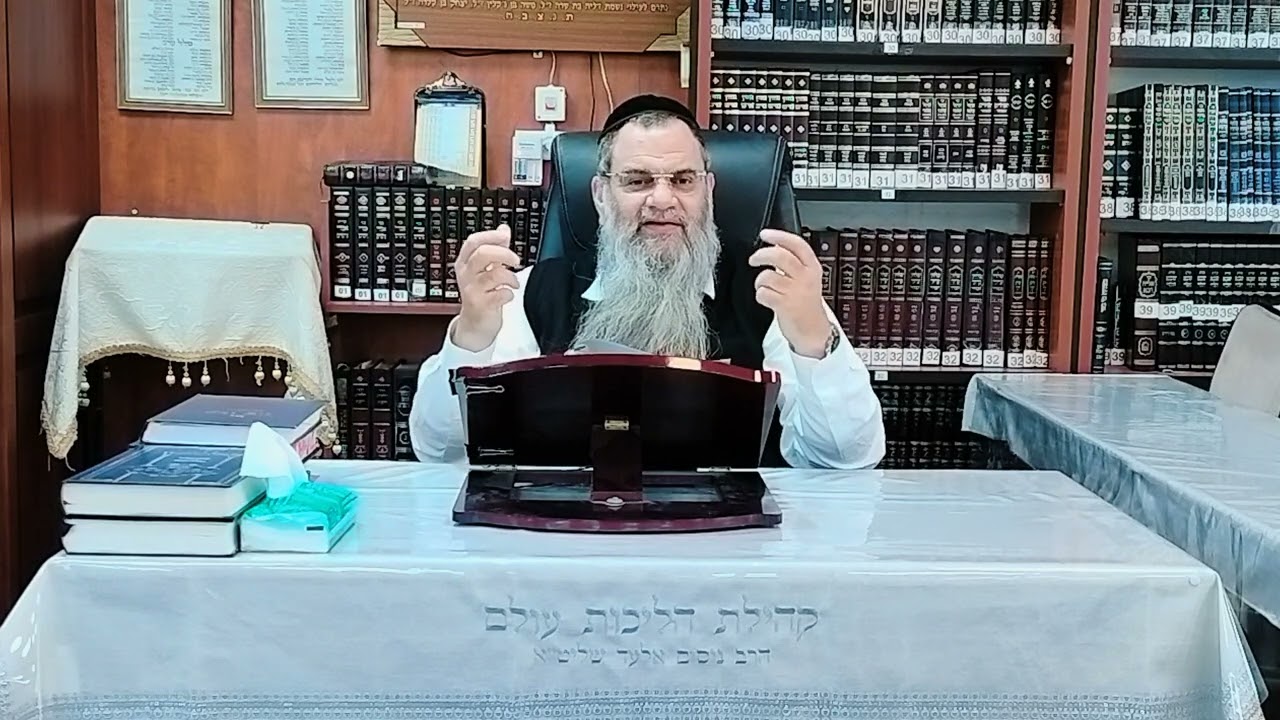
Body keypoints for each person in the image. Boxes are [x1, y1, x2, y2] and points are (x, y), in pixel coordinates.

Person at [409, 94, 884, 469]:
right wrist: (472, 337)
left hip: (734, 543)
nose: (662, 199)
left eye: (683, 180)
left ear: (708, 191)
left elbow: (846, 458)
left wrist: (812, 339)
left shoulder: (773, 293)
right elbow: (440, 451)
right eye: (637, 181)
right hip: (572, 537)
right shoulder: (532, 293)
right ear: (601, 195)